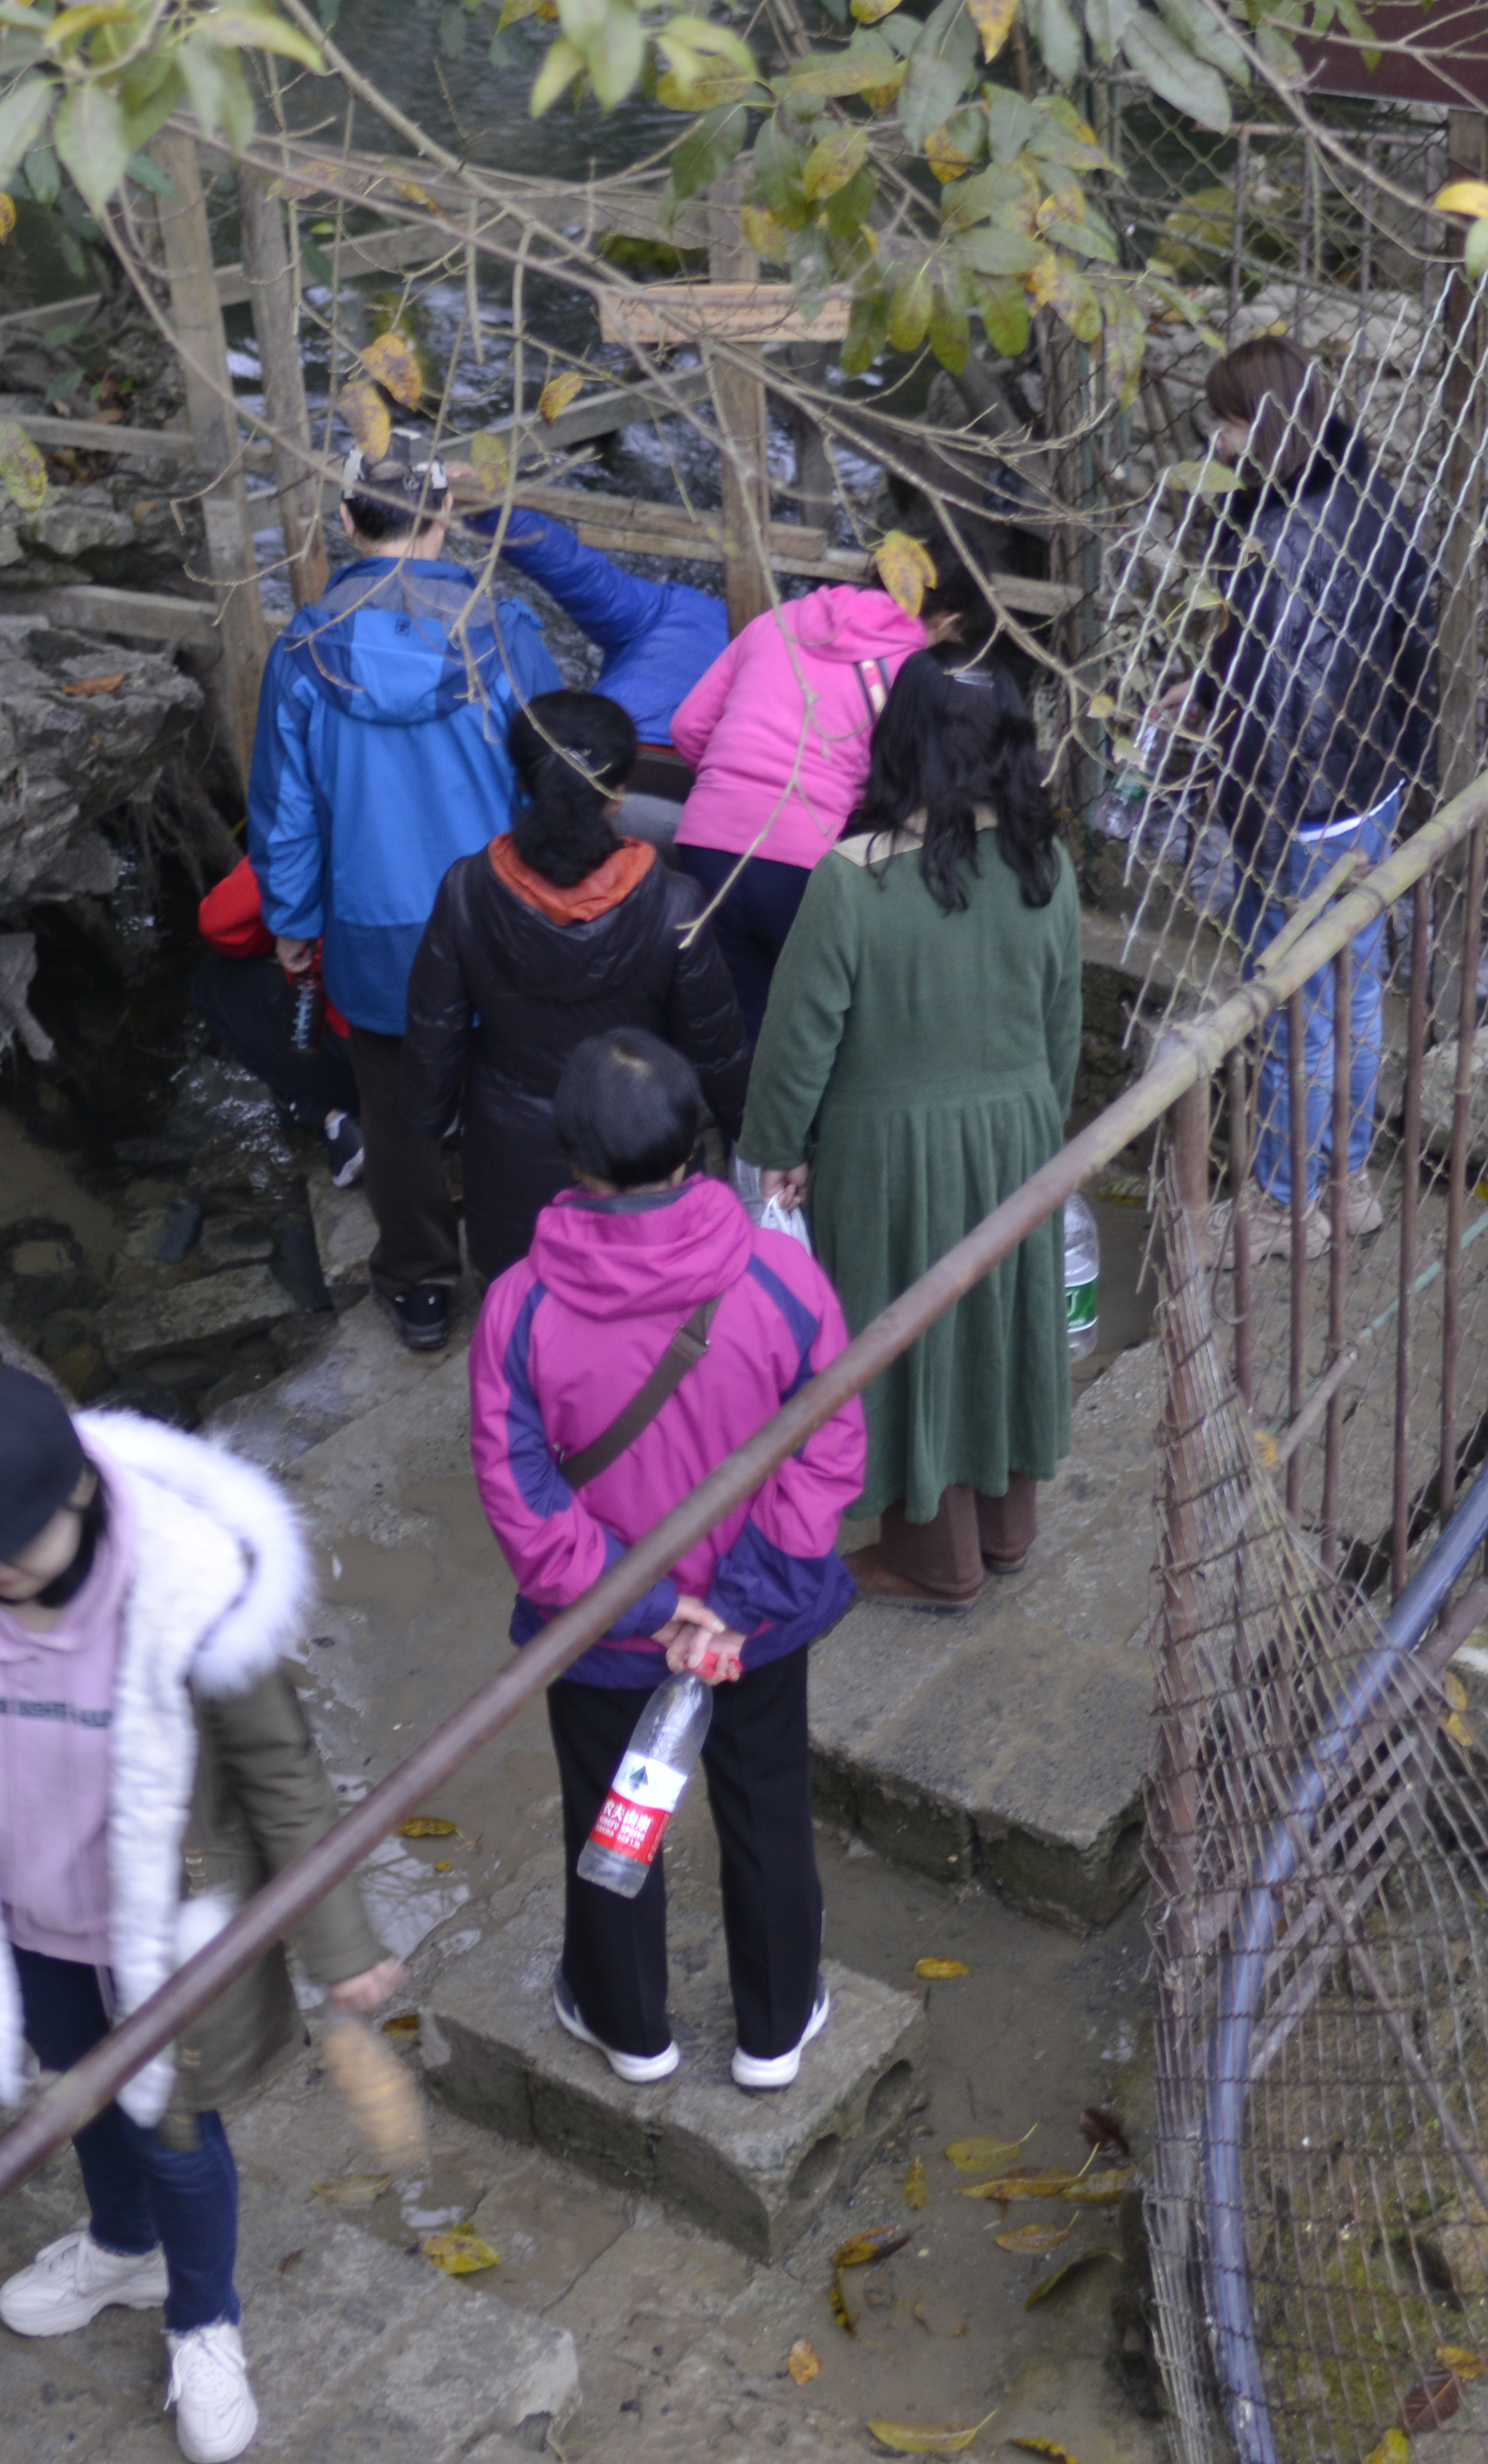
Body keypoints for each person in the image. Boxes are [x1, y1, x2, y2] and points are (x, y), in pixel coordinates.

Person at [0, 1373, 393, 2464]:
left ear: (81, 1496)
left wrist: (341, 1943)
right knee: (81, 2098)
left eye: (12, 1541)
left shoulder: (187, 1595)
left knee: (176, 2130)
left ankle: (205, 2316)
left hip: (156, 1930)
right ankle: (125, 2247)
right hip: (16, 1922)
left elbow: (283, 1775)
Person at [467, 1030, 864, 2092]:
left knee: (615, 1812)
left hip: (607, 1633)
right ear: (694, 1149)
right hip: (757, 1627)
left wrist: (650, 1608)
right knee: (767, 1802)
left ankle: (629, 2024)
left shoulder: (520, 1308)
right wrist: (732, 1607)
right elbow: (830, 1450)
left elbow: (522, 1497)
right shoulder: (783, 1278)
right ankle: (775, 2029)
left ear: (572, 1161)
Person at [736, 651, 1083, 1608]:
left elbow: (797, 1042)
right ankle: (1009, 1532)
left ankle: (936, 1559)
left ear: (903, 743)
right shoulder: (1045, 867)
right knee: (1005, 1318)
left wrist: (779, 1149)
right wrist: (1038, 1132)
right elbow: (1063, 1029)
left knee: (907, 1334)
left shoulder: (851, 882)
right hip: (1017, 1134)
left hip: (887, 1154)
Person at [249, 431, 559, 1352]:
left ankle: (421, 1287)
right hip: (496, 911)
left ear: (347, 523)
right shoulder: (501, 632)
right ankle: (527, 1274)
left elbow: (288, 810)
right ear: (447, 517)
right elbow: (552, 779)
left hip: (372, 922)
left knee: (394, 1112)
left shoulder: (305, 652)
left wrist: (293, 923)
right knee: (512, 1093)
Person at [1182, 333, 1440, 1251]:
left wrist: (1222, 758)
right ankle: (1351, 1179)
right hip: (1374, 785)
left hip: (1296, 803)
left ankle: (1284, 1205)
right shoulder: (1375, 498)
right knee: (1358, 992)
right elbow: (1412, 630)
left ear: (1258, 427)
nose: (1212, 437)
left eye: (1224, 420)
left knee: (1296, 1008)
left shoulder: (1265, 540)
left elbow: (1272, 685)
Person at [406, 686, 755, 1295]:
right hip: (642, 1149)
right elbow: (717, 1050)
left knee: (534, 1311)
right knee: (653, 1311)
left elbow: (434, 1035)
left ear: (522, 780)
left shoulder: (465, 889)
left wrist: (428, 1128)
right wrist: (754, 1136)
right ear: (619, 796)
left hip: (512, 1151)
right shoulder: (675, 904)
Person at [662, 568, 944, 1037]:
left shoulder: (779, 619)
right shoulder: (911, 665)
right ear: (947, 616)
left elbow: (688, 727)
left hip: (706, 843)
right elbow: (906, 781)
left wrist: (727, 788)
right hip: (808, 859)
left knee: (737, 1014)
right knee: (809, 1022)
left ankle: (737, 1110)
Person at [471, 502, 729, 753]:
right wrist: (494, 515)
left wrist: (495, 515)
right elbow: (579, 575)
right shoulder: (676, 613)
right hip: (648, 763)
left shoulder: (679, 612)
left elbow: (579, 573)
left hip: (594, 753)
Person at [183, 855, 360, 1184]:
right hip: (462, 1056)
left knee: (214, 980)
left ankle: (330, 1118)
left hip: (381, 1068)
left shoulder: (324, 819)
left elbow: (220, 923)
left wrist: (287, 925)